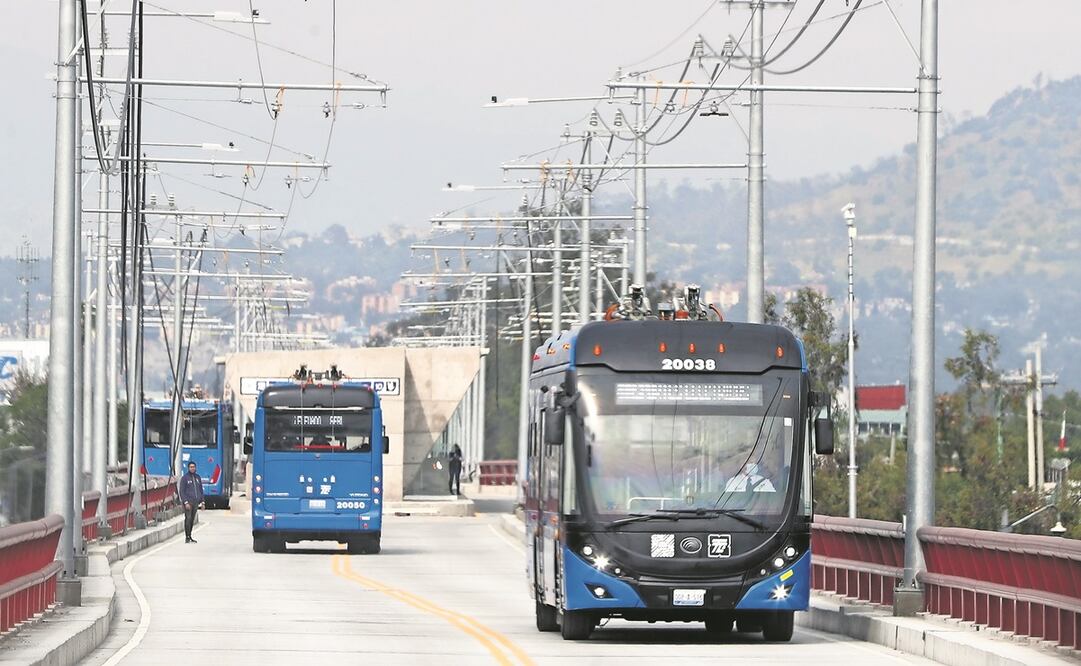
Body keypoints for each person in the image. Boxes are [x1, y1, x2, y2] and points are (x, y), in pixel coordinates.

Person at [179, 461, 205, 543]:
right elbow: (182, 491)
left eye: (193, 467)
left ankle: (190, 536)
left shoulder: (198, 478)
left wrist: (203, 502)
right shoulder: (185, 478)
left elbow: (200, 490)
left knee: (192, 519)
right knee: (188, 519)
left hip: (195, 502)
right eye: (191, 467)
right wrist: (185, 502)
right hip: (188, 502)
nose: (192, 468)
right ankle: (187, 537)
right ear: (188, 468)